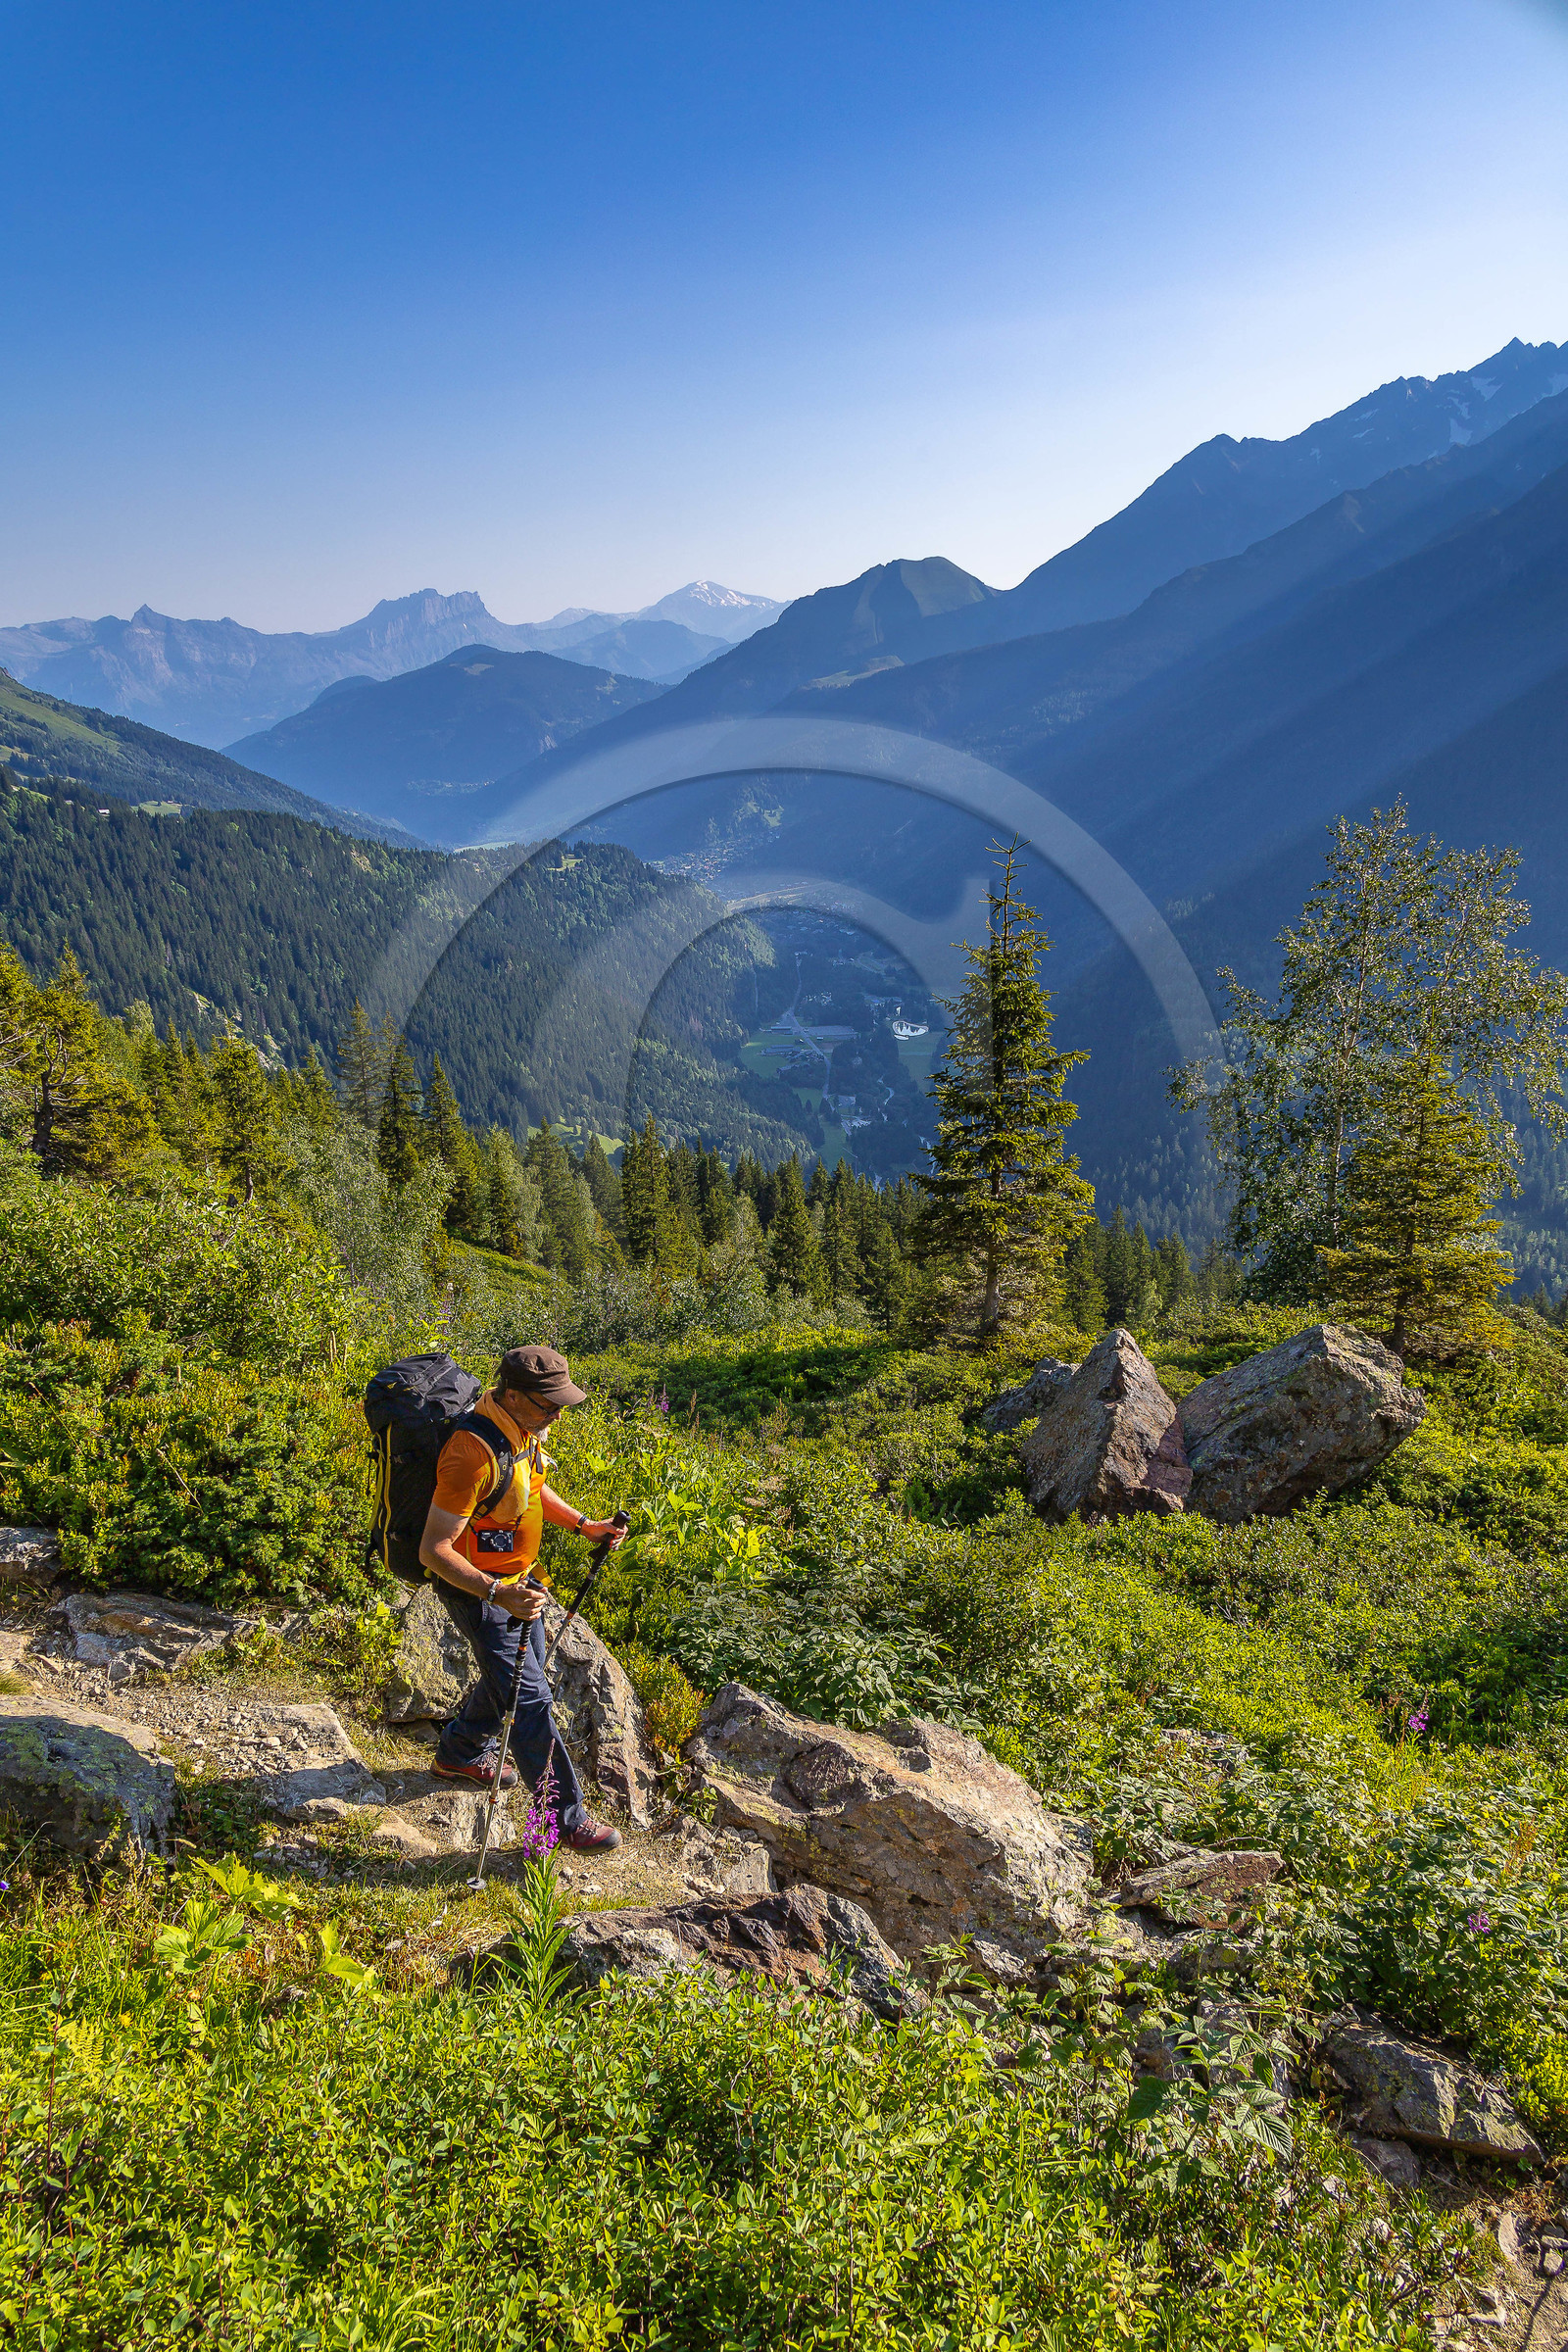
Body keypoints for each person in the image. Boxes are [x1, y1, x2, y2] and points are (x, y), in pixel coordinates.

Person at [418, 1342, 627, 1853]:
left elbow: (529, 1490)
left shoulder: (523, 1432)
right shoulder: (470, 1451)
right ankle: (565, 1817)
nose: (558, 1411)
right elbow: (433, 1549)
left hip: (521, 1585)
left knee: (513, 1678)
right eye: (547, 1402)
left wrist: (584, 1525)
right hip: (483, 1590)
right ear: (511, 1395)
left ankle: (459, 1752)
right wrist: (496, 1593)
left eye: (560, 1400)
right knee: (531, 1698)